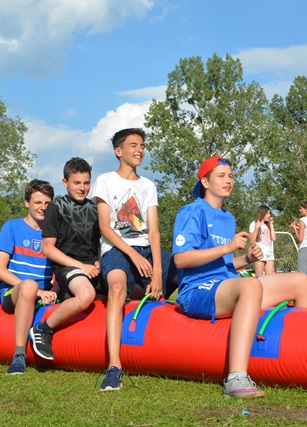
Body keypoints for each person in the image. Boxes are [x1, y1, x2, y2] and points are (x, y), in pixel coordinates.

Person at [173, 156, 307, 398]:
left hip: (225, 285)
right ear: (205, 182)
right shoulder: (191, 211)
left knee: (300, 281)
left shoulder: (228, 218)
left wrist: (246, 259)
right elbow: (181, 260)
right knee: (250, 285)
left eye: (230, 176)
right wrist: (227, 247)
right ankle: (235, 378)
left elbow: (222, 264)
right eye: (221, 176)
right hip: (197, 290)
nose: (228, 180)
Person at [92, 128, 177, 391]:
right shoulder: (106, 181)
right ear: (118, 151)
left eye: (142, 145)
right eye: (133, 145)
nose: (140, 150)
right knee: (118, 287)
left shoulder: (148, 186)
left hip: (146, 249)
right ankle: (114, 367)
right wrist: (133, 255)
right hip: (117, 249)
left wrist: (158, 272)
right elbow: (105, 227)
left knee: (185, 268)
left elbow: (154, 231)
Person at [34, 158, 103, 365]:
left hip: (92, 268)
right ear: (65, 183)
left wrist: (99, 262)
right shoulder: (55, 209)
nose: (82, 188)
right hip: (67, 268)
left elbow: (100, 243)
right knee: (86, 295)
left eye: (86, 183)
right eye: (76, 183)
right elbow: (48, 248)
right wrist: (81, 266)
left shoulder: (96, 208)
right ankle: (43, 329)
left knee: (130, 289)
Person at [0, 179, 58, 375]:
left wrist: (53, 291)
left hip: (44, 293)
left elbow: (60, 270)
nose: (42, 207)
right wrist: (36, 291)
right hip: (14, 291)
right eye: (37, 202)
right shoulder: (12, 227)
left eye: (47, 203)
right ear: (26, 202)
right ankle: (19, 355)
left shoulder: (55, 233)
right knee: (29, 286)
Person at [289, 201, 307, 281]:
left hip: (305, 250)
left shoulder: (303, 220)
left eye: (301, 208)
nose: (299, 210)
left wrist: (294, 229)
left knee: (301, 276)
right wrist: (298, 227)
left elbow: (300, 239)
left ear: (306, 210)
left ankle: (302, 289)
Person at [249, 205, 276, 276]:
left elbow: (273, 238)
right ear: (262, 213)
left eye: (269, 213)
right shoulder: (253, 224)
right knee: (259, 276)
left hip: (269, 254)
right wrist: (257, 228)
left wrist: (271, 225)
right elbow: (251, 241)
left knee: (270, 277)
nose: (269, 215)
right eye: (267, 213)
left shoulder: (268, 225)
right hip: (259, 254)